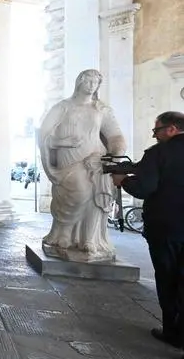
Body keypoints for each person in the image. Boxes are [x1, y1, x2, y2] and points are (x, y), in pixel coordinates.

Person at [112, 111, 184, 353]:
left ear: (172, 129)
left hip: (166, 227)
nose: (155, 135)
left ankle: (173, 333)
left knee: (168, 278)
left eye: (157, 130)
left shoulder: (158, 153)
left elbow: (144, 188)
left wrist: (123, 180)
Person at [38, 69, 126, 262]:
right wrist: (63, 142)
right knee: (79, 193)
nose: (92, 86)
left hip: (95, 159)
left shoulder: (101, 110)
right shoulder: (63, 108)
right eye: (88, 82)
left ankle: (89, 239)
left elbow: (115, 135)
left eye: (96, 83)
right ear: (79, 82)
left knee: (96, 197)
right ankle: (64, 233)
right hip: (68, 161)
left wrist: (115, 155)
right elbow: (43, 135)